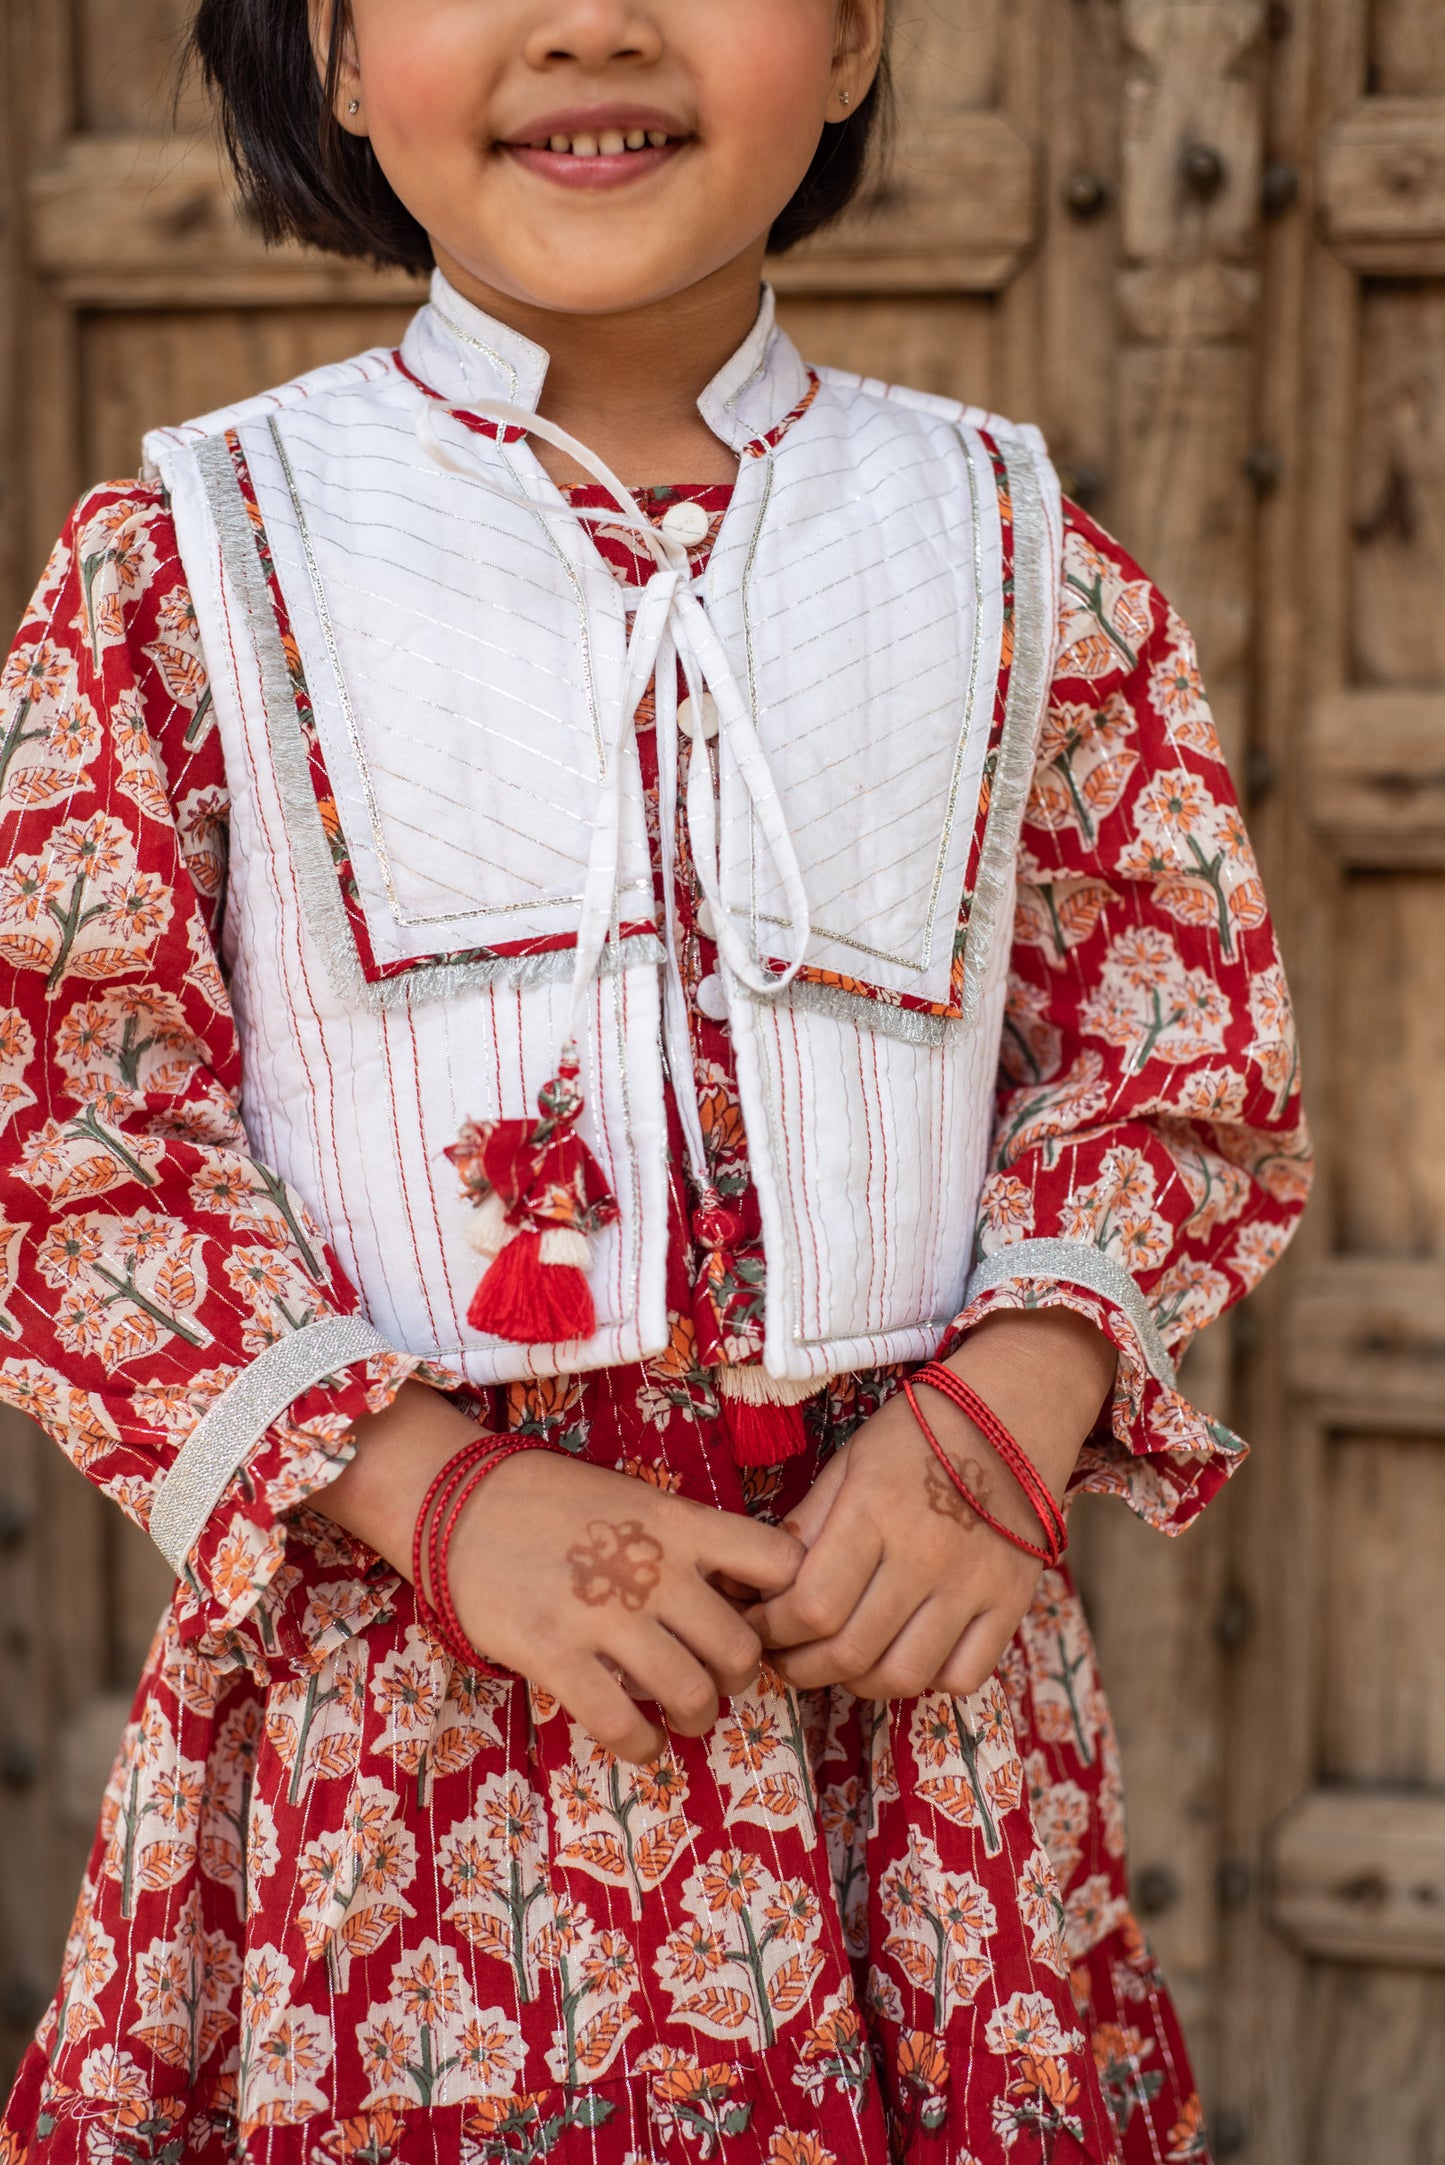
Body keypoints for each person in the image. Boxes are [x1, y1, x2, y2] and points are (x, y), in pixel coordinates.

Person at [0, 2, 1312, 2159]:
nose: (588, 18)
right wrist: (439, 1497)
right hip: (405, 1726)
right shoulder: (199, 569)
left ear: (861, 34)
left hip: (899, 1693)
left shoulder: (1014, 562)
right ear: (325, 59)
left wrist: (1012, 1401)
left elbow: (1178, 1055)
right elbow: (70, 1137)